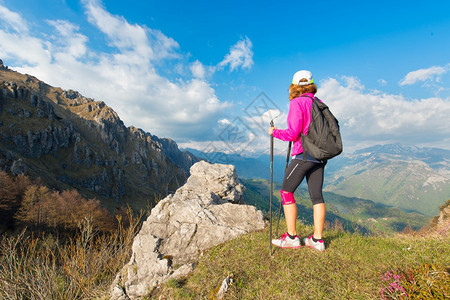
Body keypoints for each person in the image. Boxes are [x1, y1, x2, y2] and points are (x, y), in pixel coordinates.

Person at [268, 70, 327, 251]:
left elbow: (293, 133)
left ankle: (292, 238)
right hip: (320, 155)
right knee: (317, 196)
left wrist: (275, 132)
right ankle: (317, 240)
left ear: (294, 86)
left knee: (286, 192)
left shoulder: (297, 103)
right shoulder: (319, 103)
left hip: (303, 154)